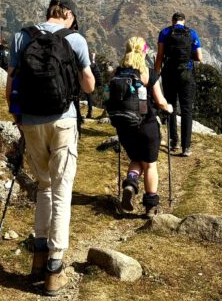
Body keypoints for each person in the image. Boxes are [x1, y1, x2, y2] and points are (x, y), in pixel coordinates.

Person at [7, 0, 95, 295]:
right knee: (62, 189)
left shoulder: (22, 36)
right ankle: (55, 267)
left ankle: (38, 256)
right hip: (63, 120)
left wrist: (18, 118)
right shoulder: (75, 40)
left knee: (43, 185)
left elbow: (11, 83)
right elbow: (89, 85)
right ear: (67, 14)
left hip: (31, 121)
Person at [109, 36, 174, 217]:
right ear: (144, 51)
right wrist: (169, 107)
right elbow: (160, 102)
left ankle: (130, 183)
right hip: (146, 126)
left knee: (136, 159)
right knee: (150, 165)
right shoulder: (148, 73)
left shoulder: (118, 72)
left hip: (124, 127)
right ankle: (150, 206)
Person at [155, 12, 203, 157]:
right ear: (184, 21)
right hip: (186, 74)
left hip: (169, 74)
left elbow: (160, 55)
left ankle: (173, 141)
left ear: (173, 21)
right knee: (186, 109)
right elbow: (199, 57)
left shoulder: (164, 33)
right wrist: (188, 56)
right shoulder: (192, 33)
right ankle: (186, 147)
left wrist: (156, 74)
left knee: (170, 106)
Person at [84, 52, 103, 120]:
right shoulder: (92, 65)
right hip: (92, 81)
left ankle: (90, 111)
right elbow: (97, 75)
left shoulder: (90, 65)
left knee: (89, 94)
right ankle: (90, 111)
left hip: (89, 80)